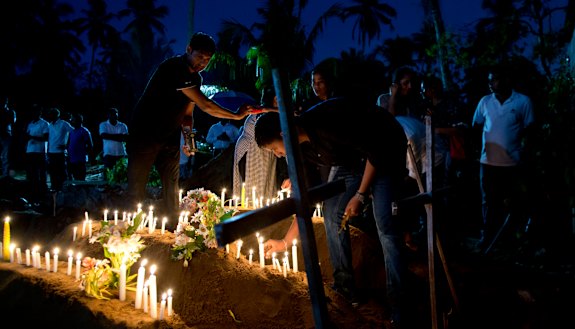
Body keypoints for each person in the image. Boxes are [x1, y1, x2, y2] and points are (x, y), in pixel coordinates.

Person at [255, 97, 410, 327]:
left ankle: (400, 307)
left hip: (383, 147)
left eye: (274, 149)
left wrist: (360, 194)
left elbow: (374, 149)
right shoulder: (299, 153)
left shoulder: (326, 124)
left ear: (283, 133)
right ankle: (345, 289)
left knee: (385, 223)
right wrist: (285, 242)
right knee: (332, 212)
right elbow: (303, 200)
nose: (277, 155)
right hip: (351, 161)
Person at [127, 32, 254, 224]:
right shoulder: (174, 68)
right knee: (137, 186)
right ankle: (130, 230)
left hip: (169, 137)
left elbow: (187, 114)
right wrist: (236, 115)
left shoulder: (196, 80)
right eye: (200, 56)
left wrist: (189, 141)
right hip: (145, 135)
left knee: (172, 185)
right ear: (189, 50)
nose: (203, 63)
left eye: (207, 59)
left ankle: (173, 230)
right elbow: (205, 105)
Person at [472, 64, 535, 251]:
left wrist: (525, 151)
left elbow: (531, 129)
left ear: (506, 80)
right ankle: (487, 237)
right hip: (488, 162)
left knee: (512, 202)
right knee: (488, 202)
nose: (490, 83)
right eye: (489, 80)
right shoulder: (485, 101)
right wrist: (479, 150)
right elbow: (476, 126)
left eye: (495, 79)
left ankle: (509, 241)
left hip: (512, 163)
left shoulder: (523, 101)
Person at [232, 87, 279, 202]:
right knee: (254, 190)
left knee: (265, 187)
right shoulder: (262, 113)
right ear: (275, 99)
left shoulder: (269, 113)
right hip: (253, 153)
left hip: (262, 152)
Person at [25, 104, 49, 202]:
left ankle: (43, 194)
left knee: (41, 174)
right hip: (30, 151)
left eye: (37, 111)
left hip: (40, 152)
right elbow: (27, 135)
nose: (34, 113)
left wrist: (32, 137)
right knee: (31, 174)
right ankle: (33, 194)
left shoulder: (44, 124)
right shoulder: (30, 124)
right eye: (33, 111)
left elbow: (46, 138)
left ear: (40, 112)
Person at [46, 107, 73, 191]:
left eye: (52, 114)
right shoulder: (49, 125)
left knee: (62, 171)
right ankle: (55, 188)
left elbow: (73, 132)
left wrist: (67, 145)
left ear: (57, 115)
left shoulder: (63, 123)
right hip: (51, 152)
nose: (50, 115)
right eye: (50, 114)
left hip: (60, 152)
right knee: (53, 172)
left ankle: (65, 188)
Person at [67, 113, 93, 181]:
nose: (71, 121)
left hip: (80, 159)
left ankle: (82, 190)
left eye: (73, 120)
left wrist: (83, 153)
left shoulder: (84, 131)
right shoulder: (72, 131)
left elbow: (90, 145)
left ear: (79, 121)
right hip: (72, 159)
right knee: (75, 176)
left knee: (81, 177)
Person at [0, 97, 16, 177]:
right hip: (2, 135)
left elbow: (13, 122)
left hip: (6, 135)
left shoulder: (10, 112)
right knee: (3, 156)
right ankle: (4, 174)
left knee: (6, 156)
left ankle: (5, 175)